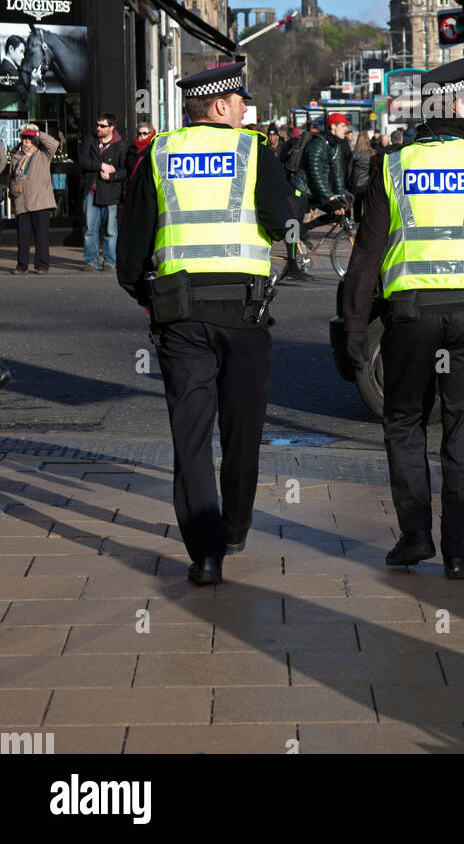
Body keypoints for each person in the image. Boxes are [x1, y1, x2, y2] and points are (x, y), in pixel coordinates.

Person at [341, 56, 464, 579]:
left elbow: (365, 258)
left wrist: (356, 325)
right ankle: (459, 552)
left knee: (404, 421)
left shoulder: (392, 166)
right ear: (457, 105)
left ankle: (414, 537)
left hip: (410, 318)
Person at [116, 60, 303, 585]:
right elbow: (283, 221)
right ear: (221, 107)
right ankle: (237, 527)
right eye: (241, 101)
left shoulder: (158, 153)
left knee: (190, 435)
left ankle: (205, 553)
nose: (247, 108)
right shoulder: (253, 153)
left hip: (180, 315)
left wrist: (149, 298)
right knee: (242, 431)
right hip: (244, 316)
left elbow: (130, 252)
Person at [1, 123, 59, 273]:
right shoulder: (16, 155)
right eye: (24, 137)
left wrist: (37, 133)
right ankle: (22, 265)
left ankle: (42, 264)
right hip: (22, 201)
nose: (27, 140)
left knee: (41, 236)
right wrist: (12, 193)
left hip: (40, 201)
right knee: (22, 236)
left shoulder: (43, 154)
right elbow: (11, 177)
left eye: (30, 138)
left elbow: (54, 144)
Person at [78, 112, 128, 271]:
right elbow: (82, 161)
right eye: (97, 125)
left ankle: (110, 262)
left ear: (111, 127)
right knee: (89, 230)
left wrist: (112, 176)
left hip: (110, 193)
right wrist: (101, 165)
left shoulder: (121, 145)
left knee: (111, 231)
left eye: (103, 126)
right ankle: (91, 262)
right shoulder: (91, 140)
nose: (98, 128)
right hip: (91, 192)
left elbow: (126, 170)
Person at [347, 130, 373, 223]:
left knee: (356, 208)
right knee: (367, 207)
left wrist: (348, 183)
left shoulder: (354, 153)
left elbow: (349, 170)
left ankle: (357, 226)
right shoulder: (371, 153)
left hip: (355, 183)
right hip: (367, 184)